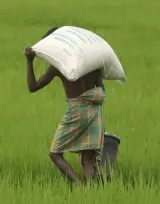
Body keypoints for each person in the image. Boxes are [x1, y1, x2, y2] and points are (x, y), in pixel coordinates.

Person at [25, 28, 106, 185]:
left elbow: (32, 87)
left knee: (55, 154)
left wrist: (29, 61)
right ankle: (92, 192)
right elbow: (101, 88)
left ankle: (77, 186)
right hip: (95, 109)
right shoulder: (92, 61)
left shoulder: (60, 65)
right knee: (88, 157)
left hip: (77, 110)